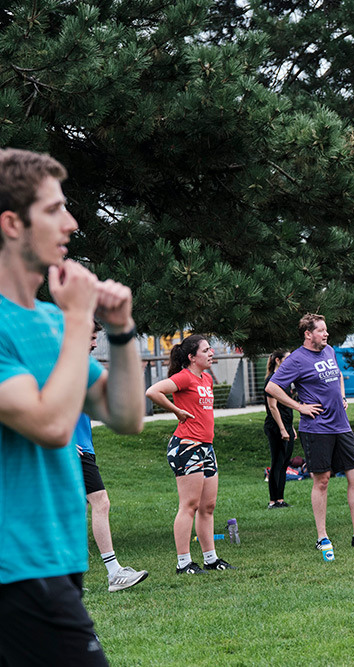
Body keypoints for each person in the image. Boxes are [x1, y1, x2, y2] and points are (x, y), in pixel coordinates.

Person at [0, 147, 144, 664]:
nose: (73, 223)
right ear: (13, 223)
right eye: (55, 209)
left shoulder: (50, 320)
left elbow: (125, 415)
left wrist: (123, 332)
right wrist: (80, 320)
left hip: (56, 560)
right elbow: (50, 424)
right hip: (15, 568)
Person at [266, 314, 354, 557]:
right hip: (316, 428)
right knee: (322, 481)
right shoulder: (297, 359)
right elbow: (272, 387)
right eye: (321, 330)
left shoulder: (329, 350)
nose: (326, 334)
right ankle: (322, 537)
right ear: (308, 334)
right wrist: (299, 407)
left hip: (342, 425)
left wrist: (342, 396)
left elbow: (338, 375)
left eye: (326, 330)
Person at [146, 335, 236, 573]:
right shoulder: (184, 377)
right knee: (190, 505)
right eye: (206, 350)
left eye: (210, 348)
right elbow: (153, 391)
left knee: (208, 506)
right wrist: (177, 411)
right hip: (186, 447)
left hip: (206, 447)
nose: (211, 352)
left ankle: (211, 559)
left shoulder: (206, 378)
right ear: (191, 357)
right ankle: (183, 563)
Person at [75, 324, 148, 591]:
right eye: (92, 338)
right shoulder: (70, 365)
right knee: (100, 502)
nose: (95, 344)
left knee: (75, 511)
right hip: (74, 449)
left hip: (81, 448)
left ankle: (68, 578)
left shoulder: (81, 366)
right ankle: (113, 572)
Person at [263, 349, 296, 509]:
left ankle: (280, 499)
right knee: (277, 462)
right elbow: (273, 407)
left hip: (287, 425)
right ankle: (272, 500)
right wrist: (283, 429)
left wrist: (291, 428)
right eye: (287, 359)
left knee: (284, 463)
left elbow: (286, 407)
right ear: (278, 360)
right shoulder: (272, 380)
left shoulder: (286, 380)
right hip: (275, 427)